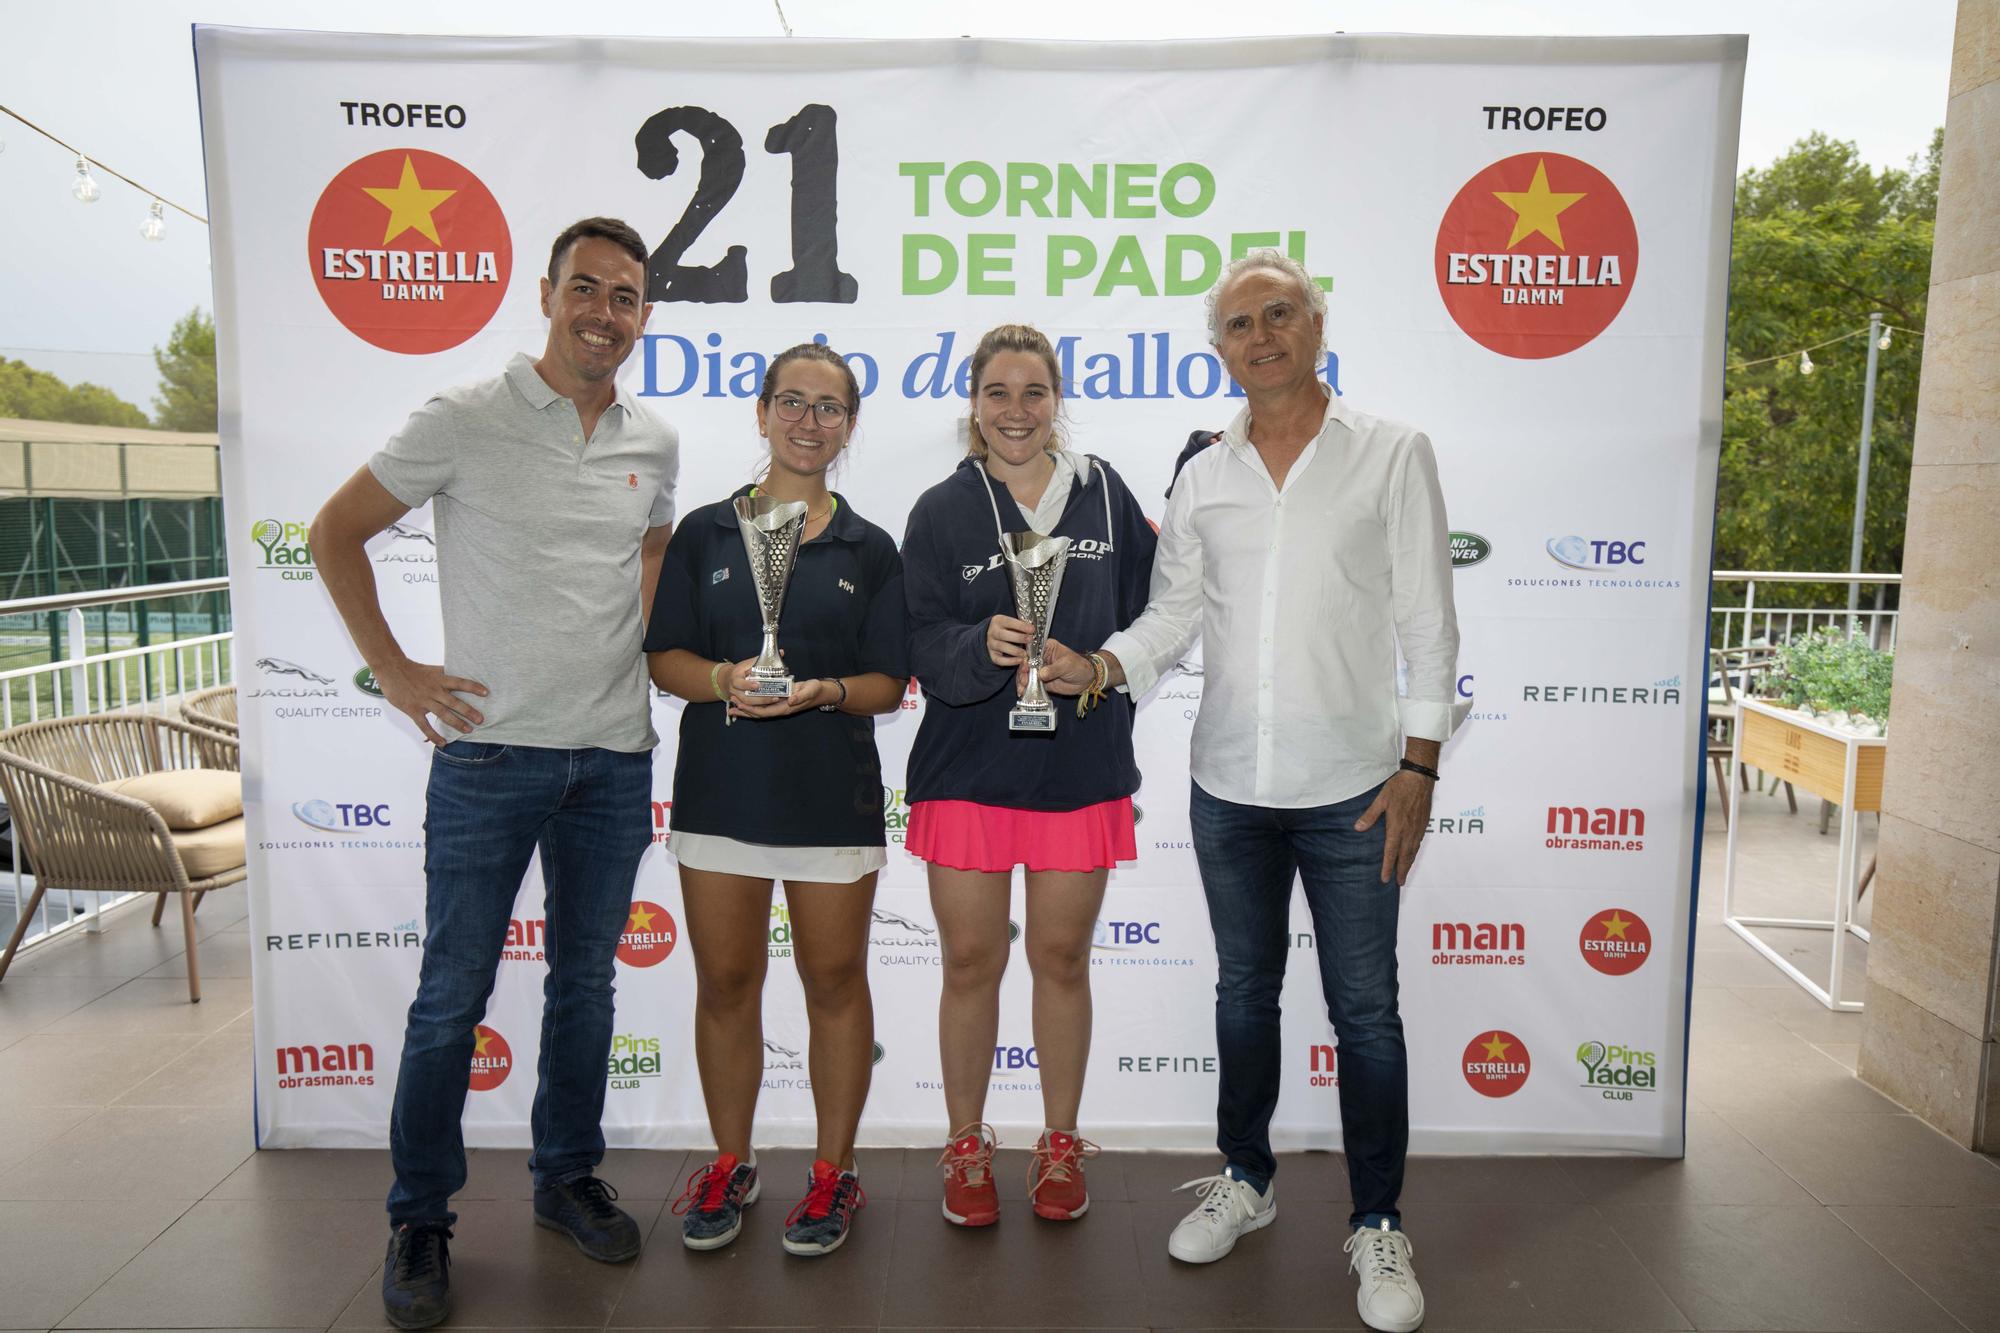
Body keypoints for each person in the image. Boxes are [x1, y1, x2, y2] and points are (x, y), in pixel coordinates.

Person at [1072, 252, 1461, 1333]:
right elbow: (1169, 618)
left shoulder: (1391, 455)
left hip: (1355, 790)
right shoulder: (1202, 475)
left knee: (1366, 1013)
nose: (1259, 336)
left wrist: (1419, 764)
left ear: (1315, 323)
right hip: (1227, 786)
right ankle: (1245, 1178)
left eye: (1276, 313)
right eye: (1237, 323)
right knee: (1242, 996)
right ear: (1221, 349)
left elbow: (1430, 622)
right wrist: (1103, 666)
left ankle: (1377, 1221)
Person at [309, 217, 677, 1329]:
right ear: (547, 294)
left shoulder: (651, 441)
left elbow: (649, 544)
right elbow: (334, 531)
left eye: (623, 296)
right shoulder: (462, 417)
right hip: (488, 756)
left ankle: (565, 1176)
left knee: (584, 987)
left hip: (613, 756)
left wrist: (642, 641)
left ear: (641, 316)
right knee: (448, 999)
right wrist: (394, 669)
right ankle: (420, 1215)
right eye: (585, 288)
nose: (602, 311)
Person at [645, 342, 908, 1258]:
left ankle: (834, 1170)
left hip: (830, 800)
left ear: (849, 425)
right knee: (725, 983)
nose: (808, 421)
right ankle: (730, 1159)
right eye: (791, 403)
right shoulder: (706, 533)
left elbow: (887, 680)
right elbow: (663, 655)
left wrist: (825, 691)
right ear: (760, 414)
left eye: (829, 407)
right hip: (722, 797)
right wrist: (722, 676)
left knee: (833, 983)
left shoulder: (870, 547)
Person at [900, 324, 1158, 1227]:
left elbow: (1155, 616)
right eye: (999, 392)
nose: (1017, 410)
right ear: (975, 402)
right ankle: (966, 1144)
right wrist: (982, 645)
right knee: (970, 961)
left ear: (1057, 400)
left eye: (1034, 391)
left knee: (1061, 958)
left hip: (1077, 769)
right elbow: (920, 641)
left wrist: (1102, 665)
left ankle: (1058, 1141)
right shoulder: (941, 508)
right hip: (968, 767)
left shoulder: (1107, 495)